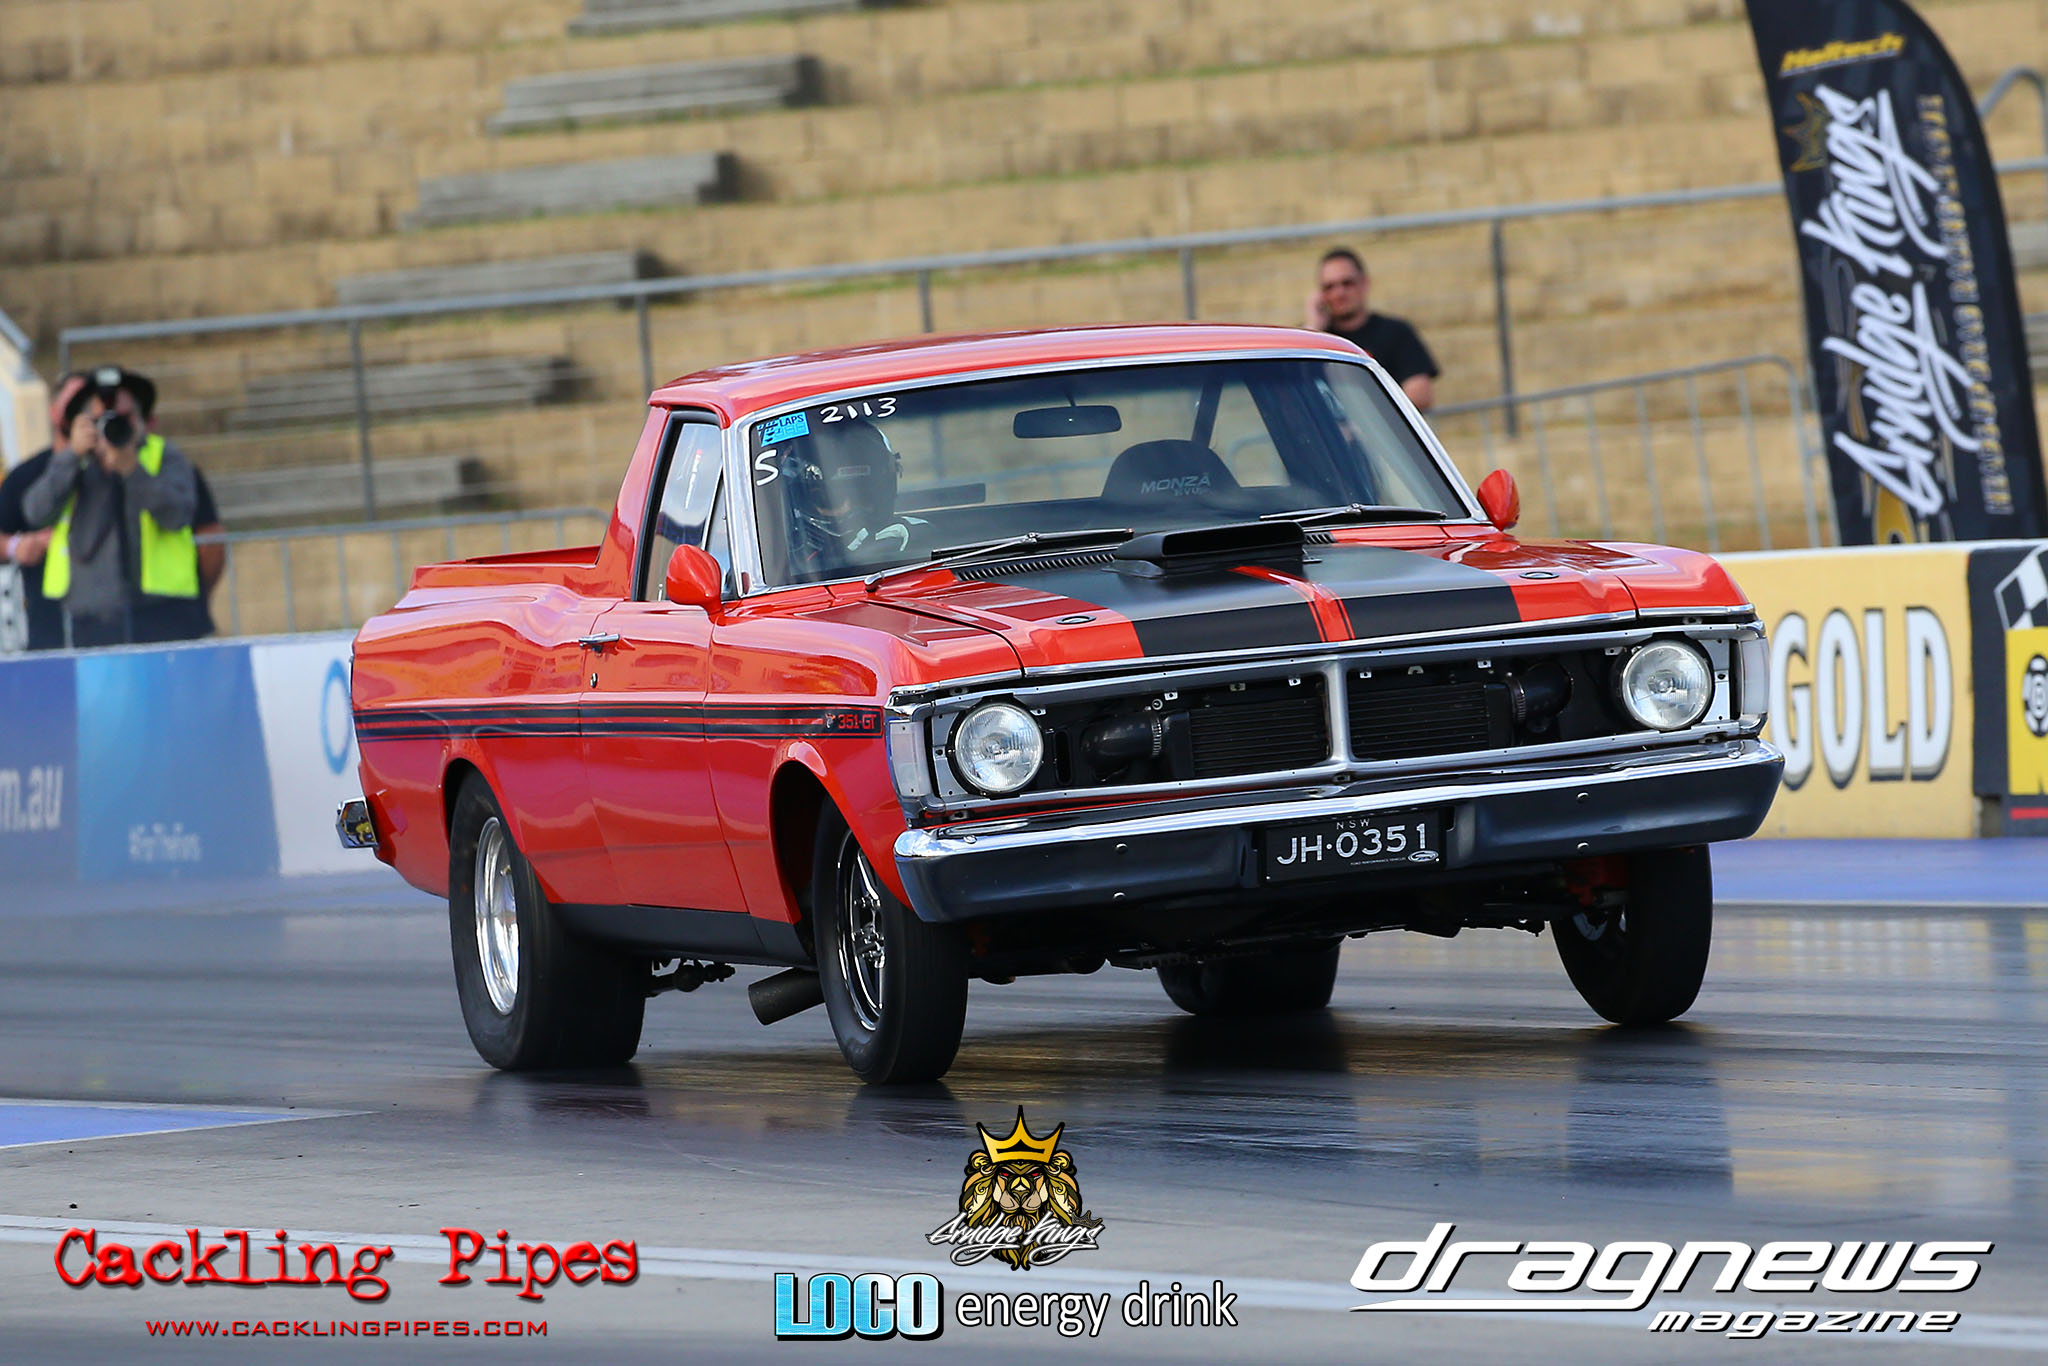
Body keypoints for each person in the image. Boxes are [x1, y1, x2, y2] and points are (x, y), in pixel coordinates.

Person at [20, 365, 205, 647]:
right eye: (102, 420)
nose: (112, 427)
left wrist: (133, 470)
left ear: (140, 420)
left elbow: (178, 514)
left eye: (123, 418)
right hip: (93, 616)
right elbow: (35, 511)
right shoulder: (74, 462)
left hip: (162, 610)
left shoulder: (164, 456)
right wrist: (72, 456)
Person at [0, 373, 86, 651]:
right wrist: (16, 546)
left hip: (111, 626)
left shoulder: (113, 470)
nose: (80, 414)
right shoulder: (25, 476)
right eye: (72, 404)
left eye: (87, 405)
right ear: (53, 411)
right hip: (45, 627)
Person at [780, 419, 924, 579]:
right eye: (829, 499)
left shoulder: (912, 537)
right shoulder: (777, 564)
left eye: (863, 493)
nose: (849, 508)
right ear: (798, 500)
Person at [1306, 247, 1439, 412]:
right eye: (1329, 287)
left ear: (1365, 283)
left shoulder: (1396, 332)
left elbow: (1420, 395)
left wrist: (1367, 420)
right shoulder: (1315, 339)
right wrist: (1313, 328)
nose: (1339, 293)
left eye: (1347, 283)